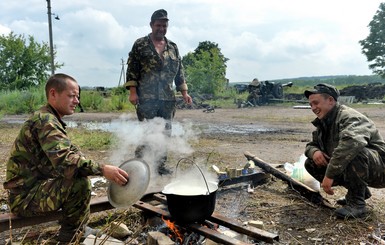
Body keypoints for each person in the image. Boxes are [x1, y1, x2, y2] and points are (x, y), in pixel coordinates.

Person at [3, 73, 129, 243]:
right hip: (24, 197)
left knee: (77, 174)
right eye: (71, 96)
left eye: (77, 96)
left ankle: (79, 227)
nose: (77, 101)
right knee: (79, 184)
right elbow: (65, 161)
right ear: (53, 94)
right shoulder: (45, 121)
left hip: (35, 188)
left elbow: (73, 154)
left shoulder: (50, 119)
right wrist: (103, 169)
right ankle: (69, 238)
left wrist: (99, 167)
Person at [124, 9, 192, 175]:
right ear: (151, 25)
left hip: (168, 99)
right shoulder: (140, 44)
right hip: (146, 97)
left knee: (165, 132)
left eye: (164, 25)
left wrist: (184, 92)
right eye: (158, 25)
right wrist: (133, 91)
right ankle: (140, 166)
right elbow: (132, 68)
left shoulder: (173, 47)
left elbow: (179, 72)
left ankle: (160, 166)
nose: (161, 28)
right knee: (148, 131)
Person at [303, 83, 385, 219]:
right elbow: (311, 144)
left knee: (354, 152)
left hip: (381, 170)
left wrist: (329, 176)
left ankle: (357, 205)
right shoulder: (325, 122)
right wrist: (314, 152)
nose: (313, 108)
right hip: (366, 168)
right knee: (311, 162)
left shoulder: (350, 117)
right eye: (311, 105)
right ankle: (358, 192)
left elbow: (352, 144)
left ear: (330, 100)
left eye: (316, 103)